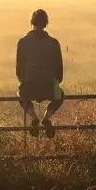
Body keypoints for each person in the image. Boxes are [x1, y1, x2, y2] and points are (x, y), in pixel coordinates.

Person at [16, 9, 64, 138]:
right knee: (59, 96)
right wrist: (55, 82)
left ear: (32, 22)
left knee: (21, 94)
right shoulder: (54, 43)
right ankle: (46, 118)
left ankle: (34, 119)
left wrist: (24, 81)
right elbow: (59, 69)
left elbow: (19, 68)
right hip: (49, 85)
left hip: (30, 85)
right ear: (46, 23)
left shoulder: (23, 42)